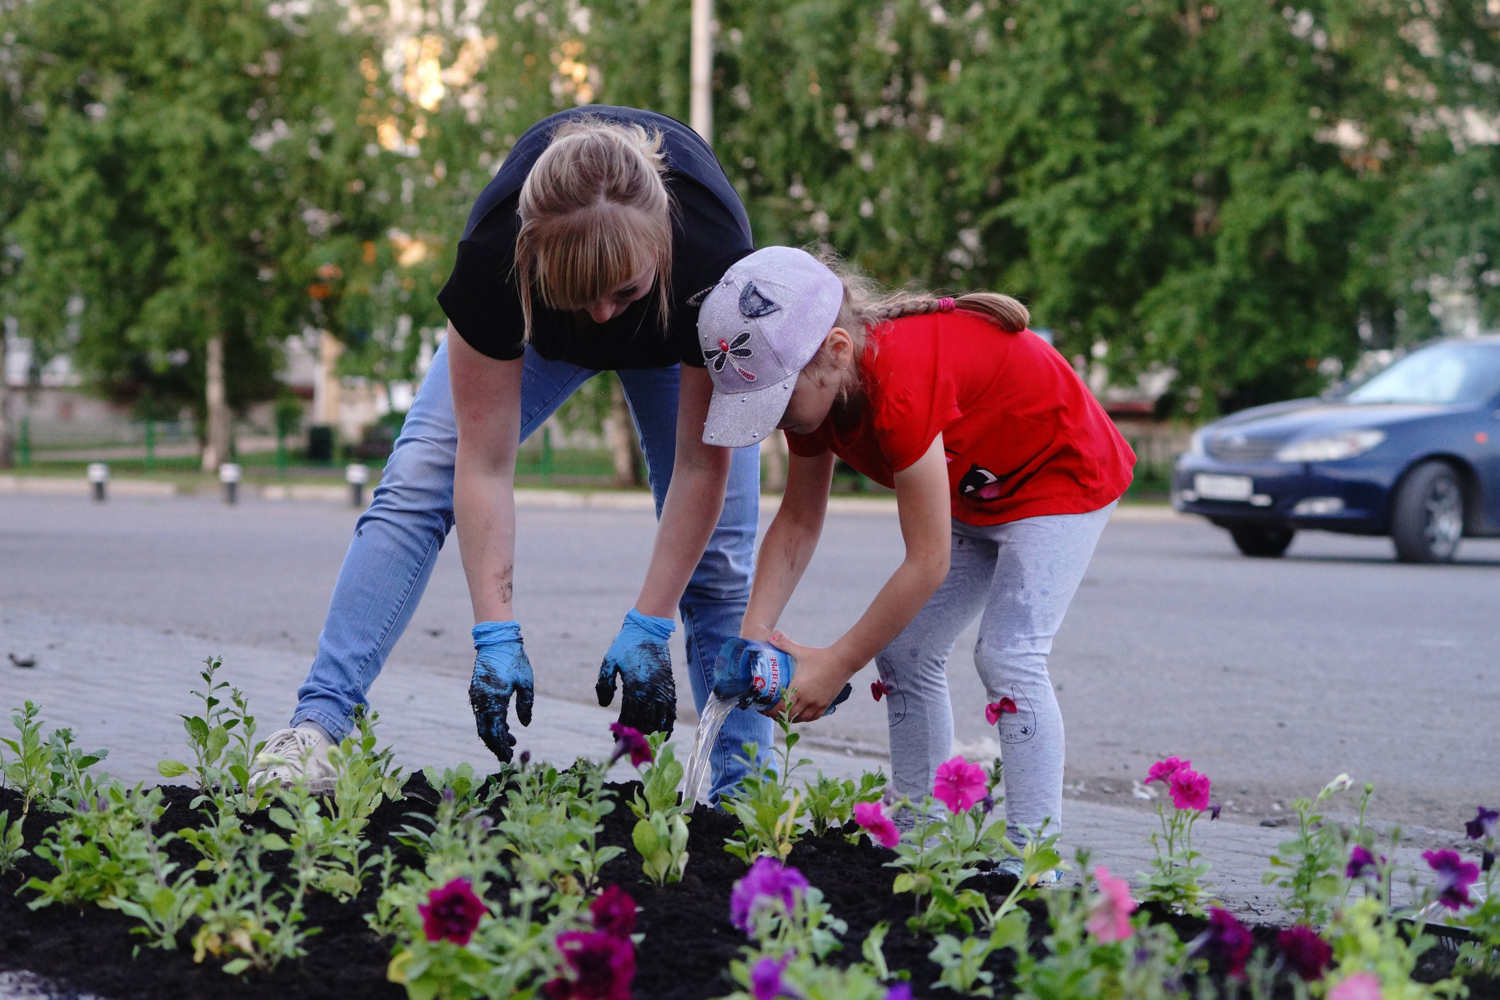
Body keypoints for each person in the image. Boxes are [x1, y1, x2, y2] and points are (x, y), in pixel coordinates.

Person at [249, 107, 772, 802]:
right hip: (536, 338)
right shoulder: (496, 253)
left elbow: (703, 467)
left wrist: (650, 620)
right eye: (581, 295)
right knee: (418, 475)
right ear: (533, 253)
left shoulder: (715, 261)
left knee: (721, 555)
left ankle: (742, 798)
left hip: (678, 336)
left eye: (624, 291)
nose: (604, 318)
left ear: (660, 247)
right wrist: (494, 633)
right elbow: (484, 462)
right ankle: (316, 725)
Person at [694, 246, 1135, 867]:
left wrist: (836, 664)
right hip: (980, 485)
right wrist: (753, 633)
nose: (773, 423)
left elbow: (927, 562)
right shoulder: (816, 393)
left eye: (777, 403)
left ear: (837, 351)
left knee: (1008, 656)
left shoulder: (897, 385)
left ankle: (1036, 865)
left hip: (1061, 476)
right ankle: (918, 841)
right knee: (905, 650)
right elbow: (797, 522)